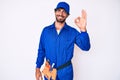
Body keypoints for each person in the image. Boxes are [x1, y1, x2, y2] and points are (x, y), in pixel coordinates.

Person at [35, 1, 91, 80]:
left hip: (66, 73)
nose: (61, 13)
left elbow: (86, 47)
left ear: (67, 15)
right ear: (55, 12)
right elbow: (41, 50)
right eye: (59, 10)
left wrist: (83, 30)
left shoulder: (72, 32)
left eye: (64, 11)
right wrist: (37, 68)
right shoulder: (46, 31)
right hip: (49, 70)